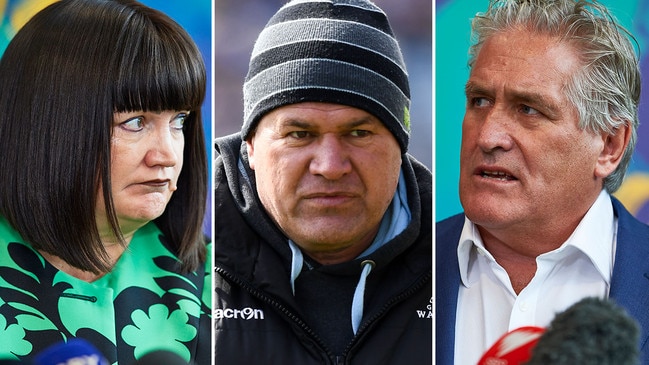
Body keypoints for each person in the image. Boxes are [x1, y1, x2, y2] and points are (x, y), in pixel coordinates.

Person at [213, 0, 432, 363]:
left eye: (359, 133)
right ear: (249, 146)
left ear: (401, 145)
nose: (330, 166)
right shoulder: (183, 264)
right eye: (299, 134)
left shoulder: (461, 261)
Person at [435, 0, 648, 364]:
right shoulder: (400, 268)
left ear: (609, 146)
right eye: (480, 101)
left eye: (528, 109)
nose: (488, 137)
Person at [0, 0, 210, 363]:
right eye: (134, 122)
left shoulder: (224, 281)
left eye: (179, 120)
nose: (167, 155)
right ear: (47, 126)